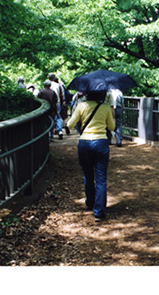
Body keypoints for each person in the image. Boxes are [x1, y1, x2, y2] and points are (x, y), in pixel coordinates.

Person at [67, 90, 115, 222]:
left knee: (88, 176)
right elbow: (111, 127)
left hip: (85, 143)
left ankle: (90, 202)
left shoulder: (82, 106)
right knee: (101, 179)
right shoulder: (105, 107)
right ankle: (99, 212)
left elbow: (70, 125)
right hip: (101, 142)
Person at [48, 73, 64, 139]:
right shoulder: (58, 85)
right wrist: (62, 102)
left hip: (50, 103)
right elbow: (61, 95)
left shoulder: (47, 85)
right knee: (58, 117)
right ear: (54, 78)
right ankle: (60, 131)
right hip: (58, 102)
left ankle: (50, 132)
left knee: (50, 117)